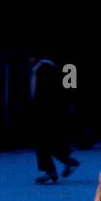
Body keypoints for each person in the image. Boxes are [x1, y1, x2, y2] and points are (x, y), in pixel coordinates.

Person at [28, 53, 81, 185]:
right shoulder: (53, 67)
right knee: (47, 140)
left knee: (43, 140)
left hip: (48, 110)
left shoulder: (44, 68)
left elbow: (45, 92)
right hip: (53, 110)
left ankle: (52, 168)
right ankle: (66, 161)